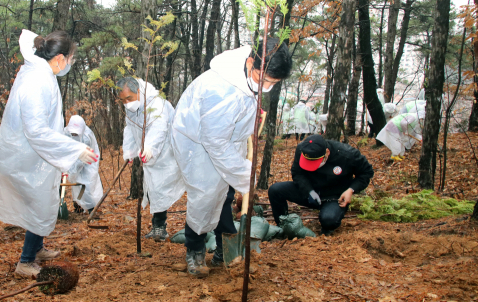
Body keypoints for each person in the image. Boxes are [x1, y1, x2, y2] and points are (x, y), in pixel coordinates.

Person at [171, 37, 292, 277]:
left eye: (273, 83)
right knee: (205, 195)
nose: (266, 87)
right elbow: (215, 140)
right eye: (264, 80)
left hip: (225, 142)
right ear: (250, 63)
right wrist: (243, 172)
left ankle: (222, 251)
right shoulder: (221, 90)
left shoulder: (247, 78)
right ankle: (194, 251)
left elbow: (234, 123)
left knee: (224, 194)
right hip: (198, 144)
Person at [0, 29, 98, 278]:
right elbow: (37, 131)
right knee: (38, 206)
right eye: (70, 58)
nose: (70, 64)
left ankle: (36, 248)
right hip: (27, 158)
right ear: (60, 58)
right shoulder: (37, 81)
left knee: (42, 202)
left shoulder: (42, 74)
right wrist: (75, 149)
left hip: (36, 157)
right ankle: (25, 262)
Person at [117, 76, 184, 242]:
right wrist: (130, 151)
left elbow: (160, 127)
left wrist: (150, 147)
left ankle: (160, 227)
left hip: (165, 153)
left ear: (139, 91)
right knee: (153, 188)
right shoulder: (131, 108)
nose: (126, 103)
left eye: (129, 98)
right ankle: (157, 226)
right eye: (123, 100)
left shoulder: (156, 103)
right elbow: (130, 128)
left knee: (160, 188)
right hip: (148, 155)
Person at [268, 135, 374, 236]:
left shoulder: (347, 154)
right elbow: (297, 173)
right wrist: (309, 191)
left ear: (327, 153)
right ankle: (283, 225)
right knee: (275, 190)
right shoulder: (302, 149)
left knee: (329, 220)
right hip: (309, 192)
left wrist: (351, 190)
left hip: (334, 196)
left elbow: (366, 173)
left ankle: (327, 227)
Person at [63, 115, 103, 213]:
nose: (74, 134)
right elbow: (64, 149)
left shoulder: (87, 137)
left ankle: (91, 209)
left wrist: (72, 171)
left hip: (88, 161)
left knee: (87, 184)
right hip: (72, 160)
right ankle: (78, 206)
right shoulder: (65, 133)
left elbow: (83, 158)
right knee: (75, 184)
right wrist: (65, 168)